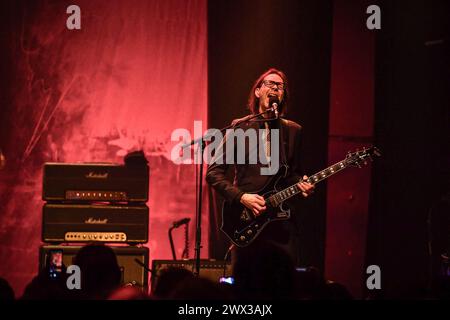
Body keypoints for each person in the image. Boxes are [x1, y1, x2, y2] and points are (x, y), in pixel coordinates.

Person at [206, 68, 315, 267]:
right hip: (247, 219)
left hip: (282, 222)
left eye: (280, 86)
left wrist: (302, 184)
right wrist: (241, 197)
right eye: (269, 84)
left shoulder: (293, 130)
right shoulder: (240, 128)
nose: (275, 87)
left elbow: (292, 174)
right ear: (257, 92)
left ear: (283, 96)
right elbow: (214, 173)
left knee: (283, 284)